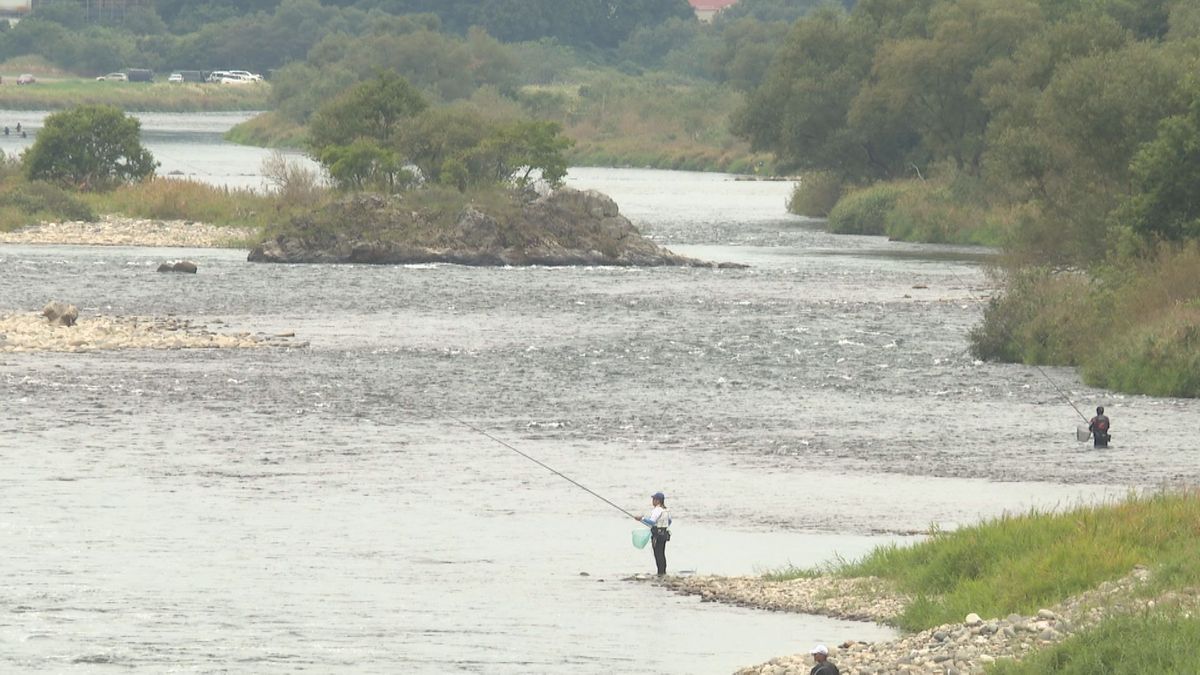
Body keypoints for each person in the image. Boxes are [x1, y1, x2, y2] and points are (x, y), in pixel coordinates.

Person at [640, 491, 671, 575]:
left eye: (654, 499)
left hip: (657, 535)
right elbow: (669, 521)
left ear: (658, 501)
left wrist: (642, 518)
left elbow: (652, 522)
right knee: (662, 553)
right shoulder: (666, 510)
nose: (652, 501)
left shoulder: (657, 510)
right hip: (664, 534)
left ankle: (660, 573)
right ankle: (663, 572)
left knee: (658, 554)